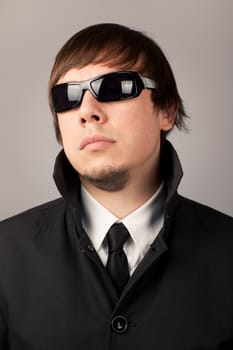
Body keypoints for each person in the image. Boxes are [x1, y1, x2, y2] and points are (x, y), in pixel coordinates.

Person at [0, 23, 233, 350]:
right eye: (67, 96)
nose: (87, 111)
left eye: (116, 88)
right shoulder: (5, 255)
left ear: (166, 110)